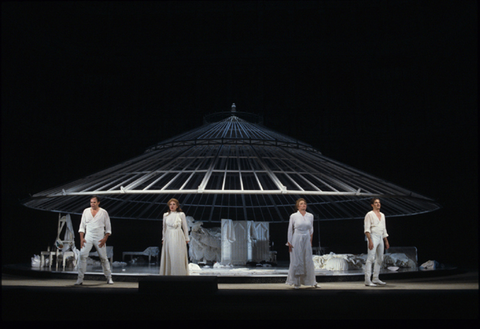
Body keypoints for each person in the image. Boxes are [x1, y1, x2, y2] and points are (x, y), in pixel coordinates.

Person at [75, 196, 113, 285]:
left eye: (94, 202)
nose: (92, 204)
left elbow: (108, 227)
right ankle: (80, 279)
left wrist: (105, 238)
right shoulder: (86, 211)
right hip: (88, 236)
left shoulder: (103, 212)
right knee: (82, 256)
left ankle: (109, 277)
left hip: (100, 237)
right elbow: (82, 226)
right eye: (91, 202)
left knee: (103, 258)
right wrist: (81, 238)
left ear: (98, 203)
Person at [285, 198, 318, 289]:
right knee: (297, 260)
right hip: (297, 237)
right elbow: (290, 229)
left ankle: (311, 281)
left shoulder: (310, 216)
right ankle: (296, 282)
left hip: (306, 238)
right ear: (298, 206)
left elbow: (311, 229)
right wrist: (289, 242)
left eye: (304, 204)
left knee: (308, 259)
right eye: (301, 204)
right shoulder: (294, 216)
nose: (303, 205)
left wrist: (310, 240)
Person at [159, 198, 190, 275]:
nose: (172, 206)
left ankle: (179, 273)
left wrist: (187, 238)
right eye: (170, 204)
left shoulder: (181, 214)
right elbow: (164, 228)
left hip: (178, 235)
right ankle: (169, 272)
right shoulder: (165, 215)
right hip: (168, 236)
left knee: (177, 254)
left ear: (177, 206)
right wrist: (163, 238)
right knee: (169, 254)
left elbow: (185, 227)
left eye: (174, 204)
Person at [364, 197, 390, 287]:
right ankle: (367, 280)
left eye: (379, 202)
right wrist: (370, 240)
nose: (378, 204)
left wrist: (386, 241)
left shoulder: (382, 215)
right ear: (372, 205)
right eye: (376, 202)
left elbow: (384, 229)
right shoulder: (369, 214)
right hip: (373, 236)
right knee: (371, 258)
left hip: (380, 237)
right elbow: (367, 229)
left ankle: (375, 278)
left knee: (380, 259)